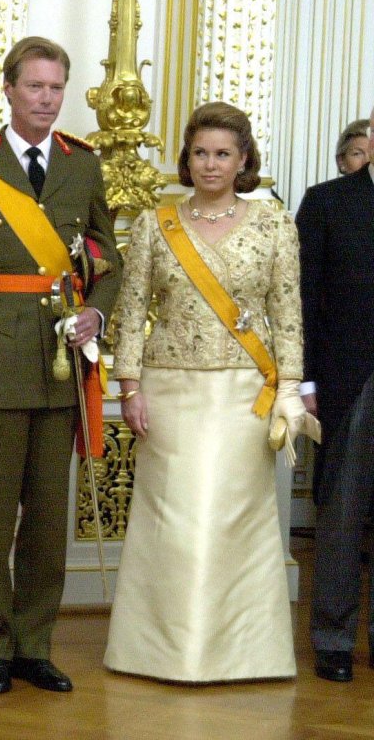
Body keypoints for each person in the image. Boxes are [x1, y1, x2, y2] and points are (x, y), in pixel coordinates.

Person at [0, 36, 121, 695]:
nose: (46, 99)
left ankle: (36, 644)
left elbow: (108, 261)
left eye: (55, 88)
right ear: (8, 89)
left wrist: (95, 311)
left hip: (61, 357)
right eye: (34, 86)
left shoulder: (83, 165)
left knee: (46, 516)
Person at [105, 102, 308, 682]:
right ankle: (155, 652)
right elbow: (133, 309)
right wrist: (130, 386)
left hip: (247, 392)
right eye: (200, 153)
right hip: (170, 393)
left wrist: (290, 388)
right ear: (186, 159)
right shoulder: (155, 224)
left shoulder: (274, 224)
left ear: (243, 159)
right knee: (173, 523)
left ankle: (246, 654)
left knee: (233, 522)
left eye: (223, 153)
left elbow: (286, 311)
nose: (210, 164)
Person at [298, 106, 374, 683]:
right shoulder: (328, 201)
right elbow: (303, 300)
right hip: (349, 380)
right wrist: (306, 381)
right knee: (343, 510)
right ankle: (333, 638)